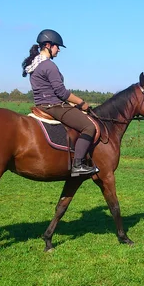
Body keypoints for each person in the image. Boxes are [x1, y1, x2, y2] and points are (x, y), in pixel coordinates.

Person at [22, 29, 98, 176]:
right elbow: (61, 92)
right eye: (57, 47)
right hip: (53, 106)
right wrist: (82, 103)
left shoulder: (35, 65)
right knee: (89, 126)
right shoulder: (49, 66)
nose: (58, 51)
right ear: (48, 45)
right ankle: (78, 165)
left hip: (42, 105)